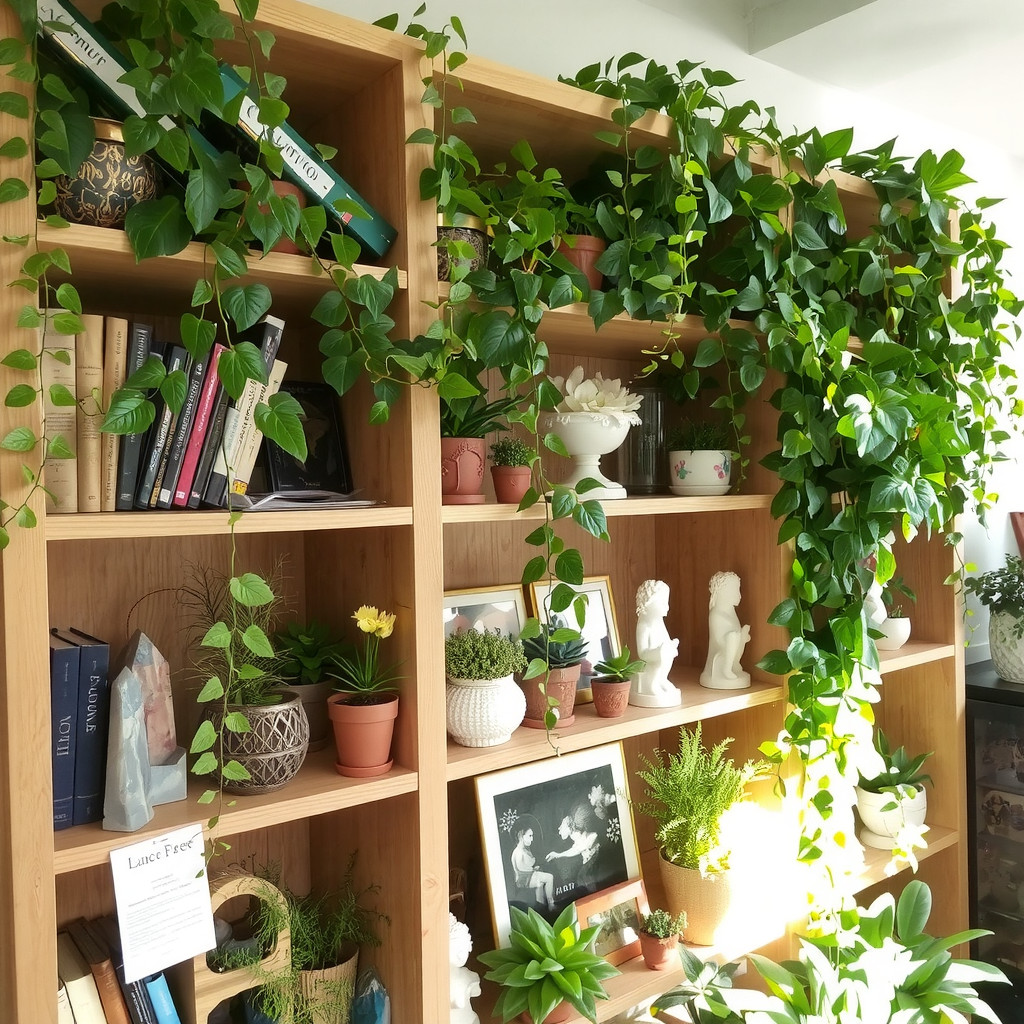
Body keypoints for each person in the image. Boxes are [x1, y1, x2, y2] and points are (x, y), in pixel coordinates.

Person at [631, 579, 681, 706]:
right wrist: (658, 652)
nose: (667, 607)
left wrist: (670, 646)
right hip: (649, 663)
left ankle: (662, 680)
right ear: (648, 603)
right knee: (661, 656)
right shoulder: (644, 625)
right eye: (663, 603)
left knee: (667, 654)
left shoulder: (659, 623)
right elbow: (642, 653)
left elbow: (665, 641)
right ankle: (652, 683)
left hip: (660, 658)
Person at [700, 571, 751, 688]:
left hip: (733, 648)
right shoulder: (715, 614)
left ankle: (735, 664)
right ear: (722, 592)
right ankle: (726, 669)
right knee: (733, 636)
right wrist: (733, 639)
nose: (739, 595)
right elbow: (718, 640)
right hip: (722, 649)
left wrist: (742, 638)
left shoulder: (731, 613)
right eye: (734, 590)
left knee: (739, 635)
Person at [545, 806, 599, 895]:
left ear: (568, 827)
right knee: (582, 879)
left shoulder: (577, 834)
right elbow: (576, 849)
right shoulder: (575, 836)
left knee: (584, 877)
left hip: (594, 856)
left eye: (561, 826)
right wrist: (557, 854)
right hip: (590, 858)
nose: (559, 829)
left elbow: (577, 849)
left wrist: (558, 855)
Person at [510, 824, 556, 911]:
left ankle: (541, 905)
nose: (532, 839)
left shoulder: (523, 850)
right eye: (530, 836)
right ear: (522, 836)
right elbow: (521, 868)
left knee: (540, 883)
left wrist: (534, 869)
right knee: (549, 877)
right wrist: (533, 869)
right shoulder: (519, 852)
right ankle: (551, 903)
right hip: (523, 879)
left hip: (527, 876)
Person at [449, 913, 481, 1024]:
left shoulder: (466, 974)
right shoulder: (440, 980)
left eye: (464, 950)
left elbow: (476, 991)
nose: (461, 956)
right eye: (457, 950)